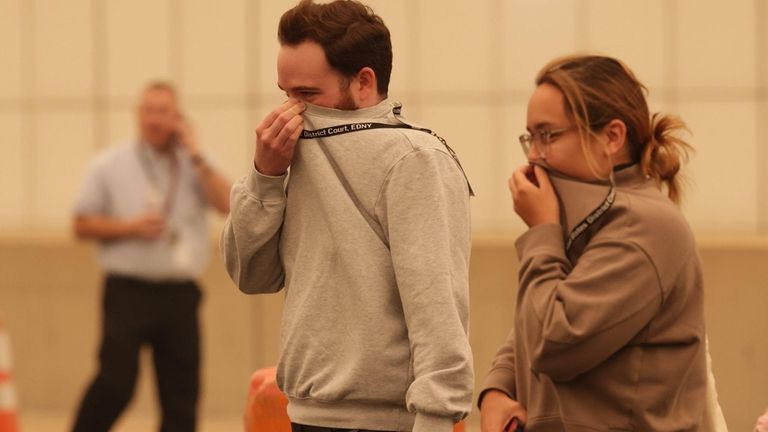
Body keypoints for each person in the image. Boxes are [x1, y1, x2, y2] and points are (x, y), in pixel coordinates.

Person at [220, 1, 474, 431]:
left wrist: (435, 418)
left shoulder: (416, 160)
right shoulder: (292, 150)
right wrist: (265, 175)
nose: (289, 112)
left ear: (364, 82)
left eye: (306, 95)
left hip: (386, 421)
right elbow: (251, 275)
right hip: (305, 412)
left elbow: (437, 304)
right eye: (284, 93)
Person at [478, 55, 706, 431]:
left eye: (548, 135)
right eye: (530, 137)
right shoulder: (592, 212)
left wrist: (542, 233)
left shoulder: (644, 226)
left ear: (612, 137)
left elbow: (554, 342)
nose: (534, 155)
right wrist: (497, 389)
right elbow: (532, 320)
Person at [71, 81, 230, 432]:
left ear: (178, 118)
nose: (155, 120)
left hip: (179, 294)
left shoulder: (194, 163)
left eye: (164, 112)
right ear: (138, 115)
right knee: (115, 384)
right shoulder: (109, 164)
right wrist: (129, 228)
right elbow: (80, 224)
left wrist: (196, 154)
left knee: (181, 395)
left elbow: (227, 205)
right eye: (149, 111)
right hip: (127, 293)